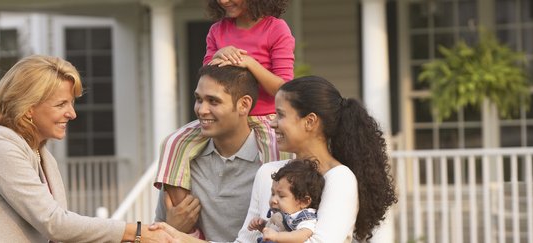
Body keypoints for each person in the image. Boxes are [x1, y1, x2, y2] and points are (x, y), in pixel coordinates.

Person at [151, 76, 397, 243]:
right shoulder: (269, 172)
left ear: (309, 121)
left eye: (280, 114)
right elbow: (245, 241)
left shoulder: (339, 178)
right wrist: (175, 236)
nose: (272, 122)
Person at [0, 55, 175, 243]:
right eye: (61, 104)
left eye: (71, 103)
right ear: (28, 108)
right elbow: (54, 223)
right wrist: (135, 232)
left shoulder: (43, 156)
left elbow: (60, 231)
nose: (72, 113)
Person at [155, 0, 295, 225]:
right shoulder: (217, 31)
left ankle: (274, 225)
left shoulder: (276, 29)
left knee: (281, 162)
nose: (223, 0)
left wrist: (249, 62)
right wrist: (219, 54)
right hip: (223, 114)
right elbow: (208, 76)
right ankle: (189, 227)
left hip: (266, 119)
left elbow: (285, 90)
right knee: (173, 143)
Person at [155, 64, 276, 242]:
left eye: (213, 101)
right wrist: (172, 228)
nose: (201, 110)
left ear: (244, 105)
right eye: (198, 99)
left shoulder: (272, 165)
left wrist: (175, 234)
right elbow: (157, 232)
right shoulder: (182, 162)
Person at [247, 159, 325, 243]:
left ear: (304, 201)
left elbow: (302, 235)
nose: (273, 200)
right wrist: (263, 227)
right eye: (273, 194)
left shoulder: (304, 218)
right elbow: (275, 231)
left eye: (281, 196)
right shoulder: (279, 214)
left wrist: (277, 236)